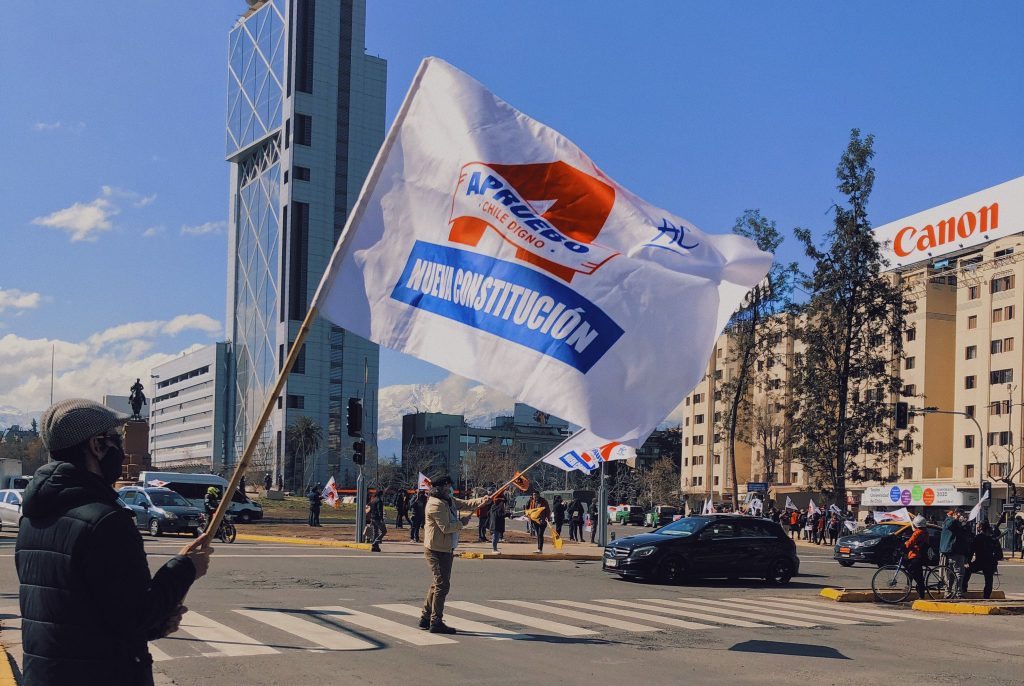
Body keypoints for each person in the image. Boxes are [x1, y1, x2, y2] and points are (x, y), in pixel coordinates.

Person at [16, 398, 213, 686]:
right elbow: (135, 616)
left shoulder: (31, 519)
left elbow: (87, 613)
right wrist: (185, 568)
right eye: (117, 440)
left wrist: (156, 624)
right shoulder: (106, 522)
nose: (121, 451)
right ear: (97, 445)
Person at [419, 475, 489, 634]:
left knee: (437, 584)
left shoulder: (447, 500)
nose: (449, 489)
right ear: (439, 488)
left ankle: (425, 617)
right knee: (442, 585)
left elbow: (464, 503)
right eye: (447, 487)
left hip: (446, 548)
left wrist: (481, 500)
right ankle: (435, 621)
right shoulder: (435, 505)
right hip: (436, 550)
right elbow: (445, 527)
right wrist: (461, 524)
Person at [963, 521, 1002, 599]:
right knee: (989, 580)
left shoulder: (978, 537)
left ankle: (963, 588)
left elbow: (971, 550)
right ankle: (986, 596)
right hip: (989, 562)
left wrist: (968, 561)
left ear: (981, 528)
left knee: (967, 571)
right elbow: (999, 553)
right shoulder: (993, 538)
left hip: (980, 561)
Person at [939, 509, 971, 596]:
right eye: (961, 515)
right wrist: (956, 519)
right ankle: (956, 592)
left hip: (958, 550)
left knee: (953, 573)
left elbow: (966, 535)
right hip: (952, 550)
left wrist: (965, 523)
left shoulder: (960, 524)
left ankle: (951, 591)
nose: (962, 517)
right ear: (956, 514)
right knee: (956, 572)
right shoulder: (950, 521)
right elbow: (950, 525)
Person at [904, 515, 930, 599]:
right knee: (917, 574)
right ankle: (915, 588)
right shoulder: (925, 532)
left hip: (916, 556)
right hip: (922, 556)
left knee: (914, 572)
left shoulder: (917, 532)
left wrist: (905, 543)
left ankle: (920, 591)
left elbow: (909, 544)